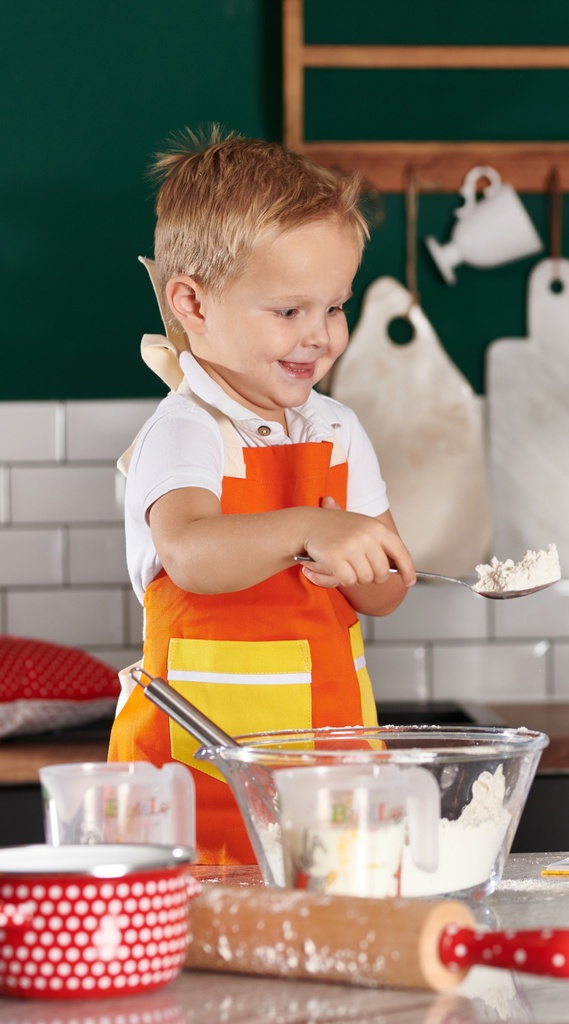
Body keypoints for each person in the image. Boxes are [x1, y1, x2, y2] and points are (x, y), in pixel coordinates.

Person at [108, 127, 416, 864]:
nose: (321, 337)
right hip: (194, 776)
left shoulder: (338, 429)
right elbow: (190, 554)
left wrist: (366, 570)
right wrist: (310, 528)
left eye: (335, 308)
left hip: (330, 771)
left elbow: (389, 588)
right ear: (193, 302)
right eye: (289, 312)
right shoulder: (187, 429)